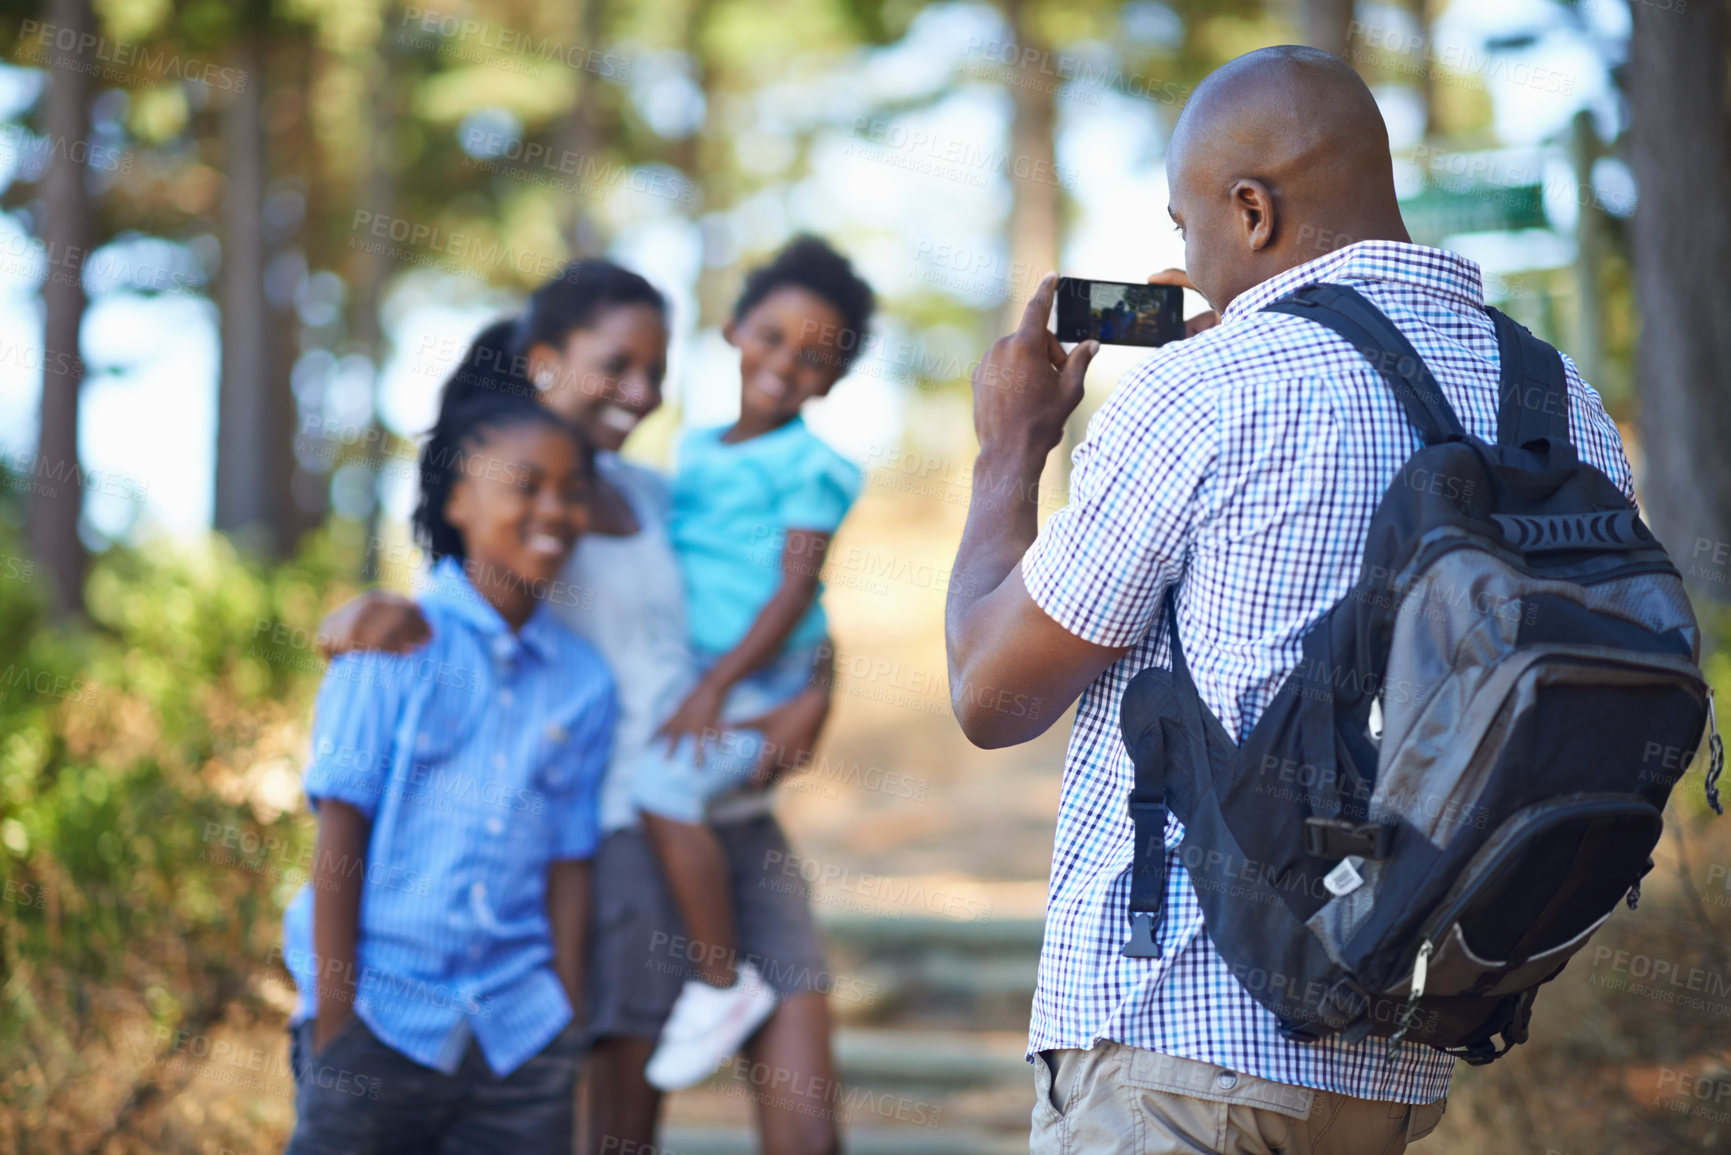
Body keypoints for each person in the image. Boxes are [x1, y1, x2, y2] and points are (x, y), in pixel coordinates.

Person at [943, 46, 1635, 1154]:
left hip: (1181, 1046)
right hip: (1396, 1060)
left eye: (1187, 228)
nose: (1191, 263)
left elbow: (992, 694)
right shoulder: (1559, 403)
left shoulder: (1207, 388)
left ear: (1252, 211)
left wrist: (1010, 451)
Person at [317, 259, 847, 1155]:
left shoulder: (655, 496)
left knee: (807, 1102)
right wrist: (349, 618)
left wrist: (819, 692)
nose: (640, 392)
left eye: (655, 369)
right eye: (616, 365)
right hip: (620, 836)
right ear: (545, 362)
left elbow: (778, 601)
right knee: (622, 1127)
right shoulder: (515, 513)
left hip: (735, 814)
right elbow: (444, 618)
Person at [283, 389, 613, 1154]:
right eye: (526, 485)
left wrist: (560, 1022)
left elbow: (570, 858)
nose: (554, 509)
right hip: (379, 1018)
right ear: (458, 498)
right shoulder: (390, 645)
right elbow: (341, 832)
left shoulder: (584, 680)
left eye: (571, 491)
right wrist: (336, 1017)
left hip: (518, 1031)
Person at [639, 236, 873, 1091]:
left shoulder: (811, 466)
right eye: (772, 337)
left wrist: (715, 686)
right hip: (711, 670)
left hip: (763, 672)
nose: (785, 364)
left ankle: (719, 981)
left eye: (814, 358)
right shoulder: (695, 450)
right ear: (734, 330)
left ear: (833, 382)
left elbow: (791, 591)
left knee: (666, 790)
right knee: (664, 786)